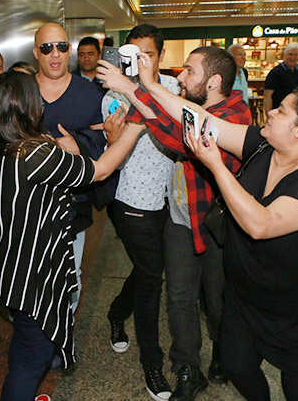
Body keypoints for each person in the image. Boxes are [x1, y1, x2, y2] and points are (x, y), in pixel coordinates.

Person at [161, 87, 298, 401]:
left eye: (281, 110)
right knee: (235, 364)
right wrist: (144, 85)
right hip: (251, 298)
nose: (270, 112)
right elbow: (205, 119)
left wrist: (215, 164)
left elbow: (260, 224)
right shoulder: (265, 147)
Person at [0, 71, 145, 401]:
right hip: (33, 278)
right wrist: (133, 128)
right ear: (29, 107)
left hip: (4, 269)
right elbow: (100, 170)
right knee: (33, 358)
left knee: (25, 341)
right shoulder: (34, 155)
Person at [98, 47, 251, 401]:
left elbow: (185, 137)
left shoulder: (234, 115)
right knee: (180, 297)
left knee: (216, 299)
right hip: (181, 218)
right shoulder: (191, 107)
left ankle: (222, 353)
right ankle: (187, 369)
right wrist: (137, 94)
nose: (180, 77)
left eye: (190, 72)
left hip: (217, 224)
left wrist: (136, 85)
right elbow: (167, 124)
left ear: (213, 81)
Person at [103, 24, 178, 401]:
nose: (138, 61)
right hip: (135, 202)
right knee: (152, 280)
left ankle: (117, 312)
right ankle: (153, 364)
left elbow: (175, 127)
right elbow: (116, 156)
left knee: (151, 270)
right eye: (132, 53)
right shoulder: (114, 93)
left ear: (159, 57)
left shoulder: (174, 89)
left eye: (146, 54)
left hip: (175, 201)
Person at [33, 23, 106, 315]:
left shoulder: (90, 95)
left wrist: (78, 144)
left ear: (69, 50)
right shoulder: (20, 92)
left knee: (70, 273)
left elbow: (104, 137)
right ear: (35, 52)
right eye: (47, 47)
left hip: (72, 205)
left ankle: (63, 326)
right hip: (28, 205)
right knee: (32, 273)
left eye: (61, 46)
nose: (55, 54)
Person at [264, 42, 298, 114]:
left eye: (295, 55)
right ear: (284, 55)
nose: (292, 57)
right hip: (280, 112)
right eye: (290, 54)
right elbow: (267, 95)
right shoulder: (275, 72)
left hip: (297, 111)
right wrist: (268, 114)